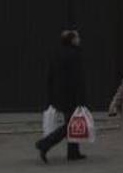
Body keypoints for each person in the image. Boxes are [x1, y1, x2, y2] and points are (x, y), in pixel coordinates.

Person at [35, 30, 87, 163]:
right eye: (77, 37)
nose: (79, 39)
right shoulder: (75, 54)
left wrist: (50, 95)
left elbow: (50, 75)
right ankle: (45, 144)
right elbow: (77, 78)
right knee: (70, 124)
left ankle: (73, 152)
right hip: (71, 95)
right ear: (72, 40)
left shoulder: (56, 53)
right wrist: (81, 97)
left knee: (72, 122)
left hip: (59, 95)